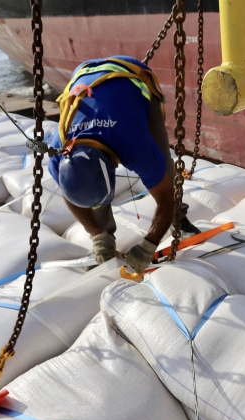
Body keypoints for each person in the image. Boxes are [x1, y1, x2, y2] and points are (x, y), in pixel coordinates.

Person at [49, 55, 196, 271]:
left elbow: (166, 199)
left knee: (163, 166)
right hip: (85, 74)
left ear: (112, 164)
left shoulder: (134, 145)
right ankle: (104, 241)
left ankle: (179, 221)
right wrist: (96, 235)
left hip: (132, 76)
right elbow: (70, 194)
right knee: (90, 187)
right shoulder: (59, 157)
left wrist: (149, 245)